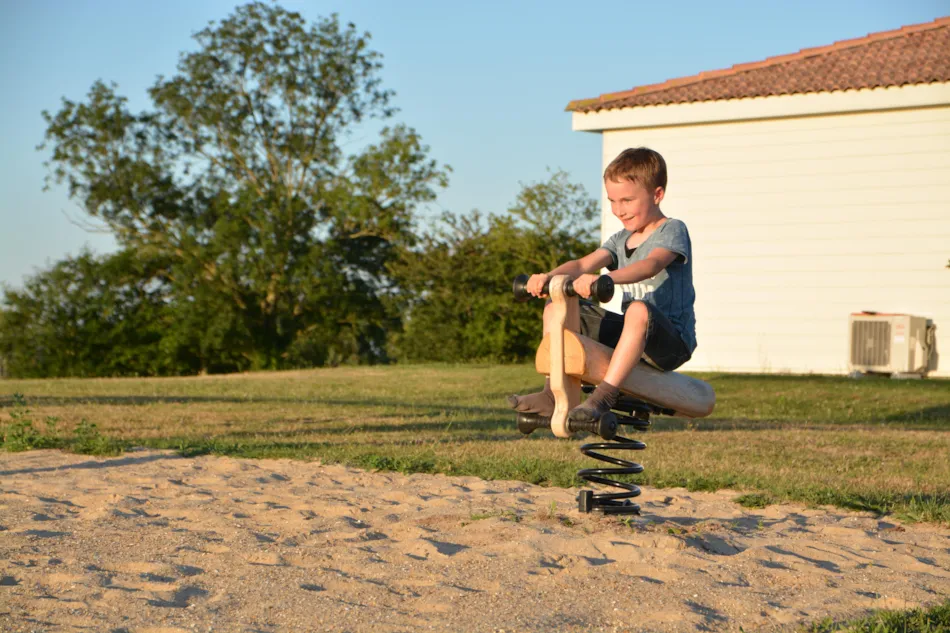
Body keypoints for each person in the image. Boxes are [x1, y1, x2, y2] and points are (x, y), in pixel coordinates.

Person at [508, 147, 696, 424]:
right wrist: (547, 278)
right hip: (631, 335)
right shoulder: (620, 239)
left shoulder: (672, 230)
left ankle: (605, 395)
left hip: (670, 342)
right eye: (613, 201)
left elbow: (651, 265)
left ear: (657, 195)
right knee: (556, 306)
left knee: (638, 310)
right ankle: (552, 394)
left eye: (628, 200)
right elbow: (582, 265)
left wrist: (607, 279)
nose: (619, 210)